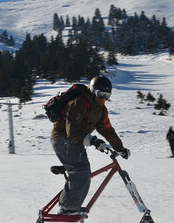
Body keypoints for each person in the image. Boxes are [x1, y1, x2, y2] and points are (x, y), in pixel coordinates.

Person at [50, 75, 130, 215]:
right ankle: (67, 207)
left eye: (107, 96)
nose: (103, 99)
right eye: (101, 94)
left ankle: (72, 207)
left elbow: (107, 129)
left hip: (76, 141)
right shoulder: (79, 102)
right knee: (80, 170)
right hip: (62, 138)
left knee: (85, 173)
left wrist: (120, 148)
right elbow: (72, 131)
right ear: (93, 91)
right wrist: (92, 140)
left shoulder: (101, 109)